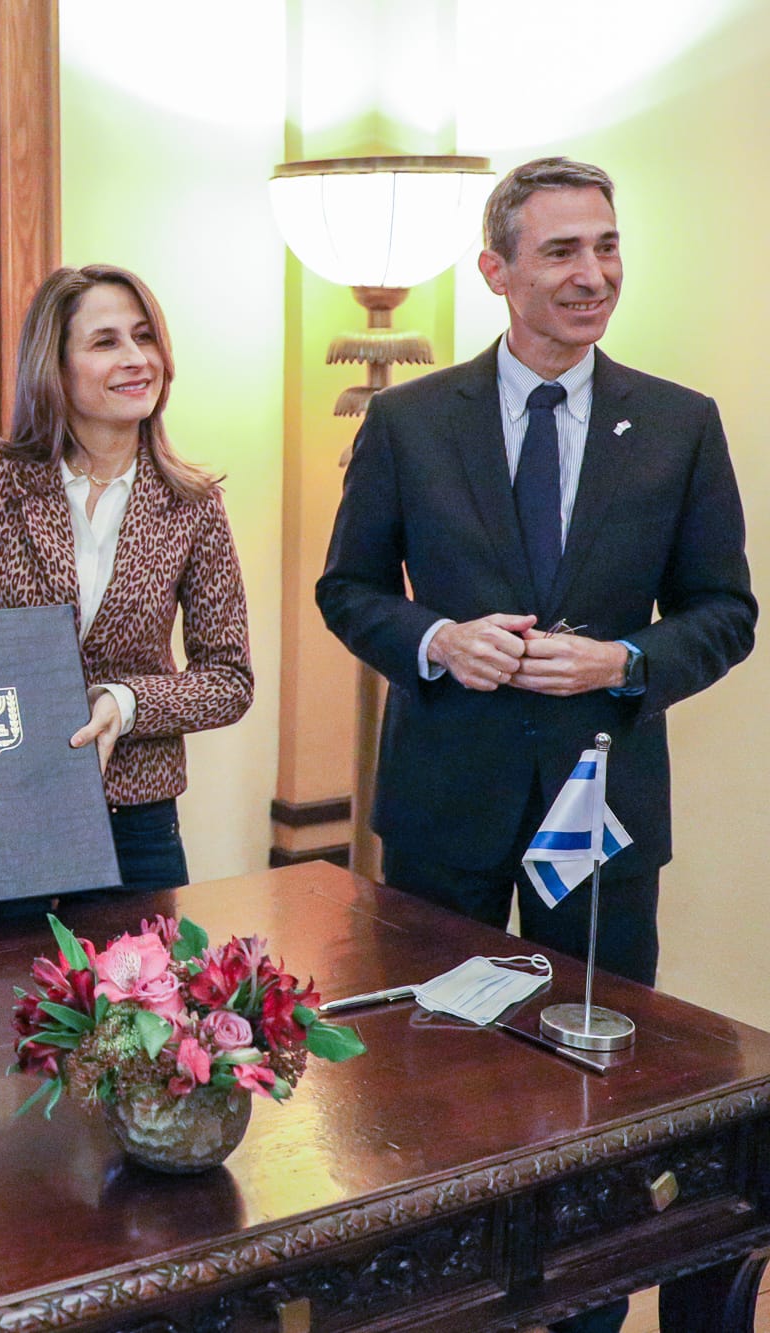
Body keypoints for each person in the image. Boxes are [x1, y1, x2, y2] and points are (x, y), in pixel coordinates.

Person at [317, 156, 755, 1333]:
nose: (591, 274)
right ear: (494, 271)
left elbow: (726, 613)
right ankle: (432, 1298)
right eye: (560, 251)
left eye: (606, 246)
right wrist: (431, 641)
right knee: (427, 1063)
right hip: (442, 801)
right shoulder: (407, 420)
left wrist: (626, 663)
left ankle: (583, 1304)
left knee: (594, 1072)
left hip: (599, 816)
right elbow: (347, 588)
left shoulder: (676, 424)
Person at [0, 263, 253, 891]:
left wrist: (127, 702)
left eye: (145, 338)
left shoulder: (194, 503)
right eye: (106, 341)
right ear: (54, 368)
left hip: (135, 823)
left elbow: (229, 680)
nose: (138, 358)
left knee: (142, 993)